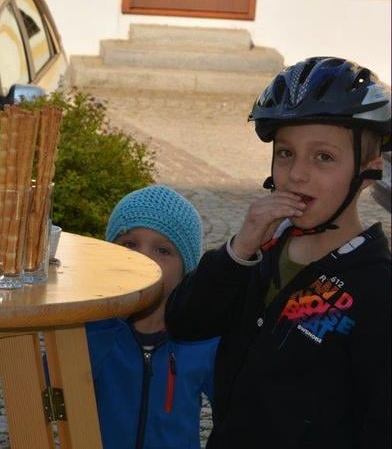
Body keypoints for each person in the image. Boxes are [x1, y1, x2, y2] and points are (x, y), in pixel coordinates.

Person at [165, 57, 391, 448]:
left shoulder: (378, 287)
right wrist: (239, 249)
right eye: (286, 153)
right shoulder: (264, 253)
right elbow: (186, 322)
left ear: (369, 170)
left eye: (323, 157)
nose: (297, 173)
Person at [85, 184, 218, 448]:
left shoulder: (200, 339)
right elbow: (49, 387)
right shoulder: (91, 328)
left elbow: (237, 412)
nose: (143, 259)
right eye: (129, 245)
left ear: (186, 271)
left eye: (163, 250)